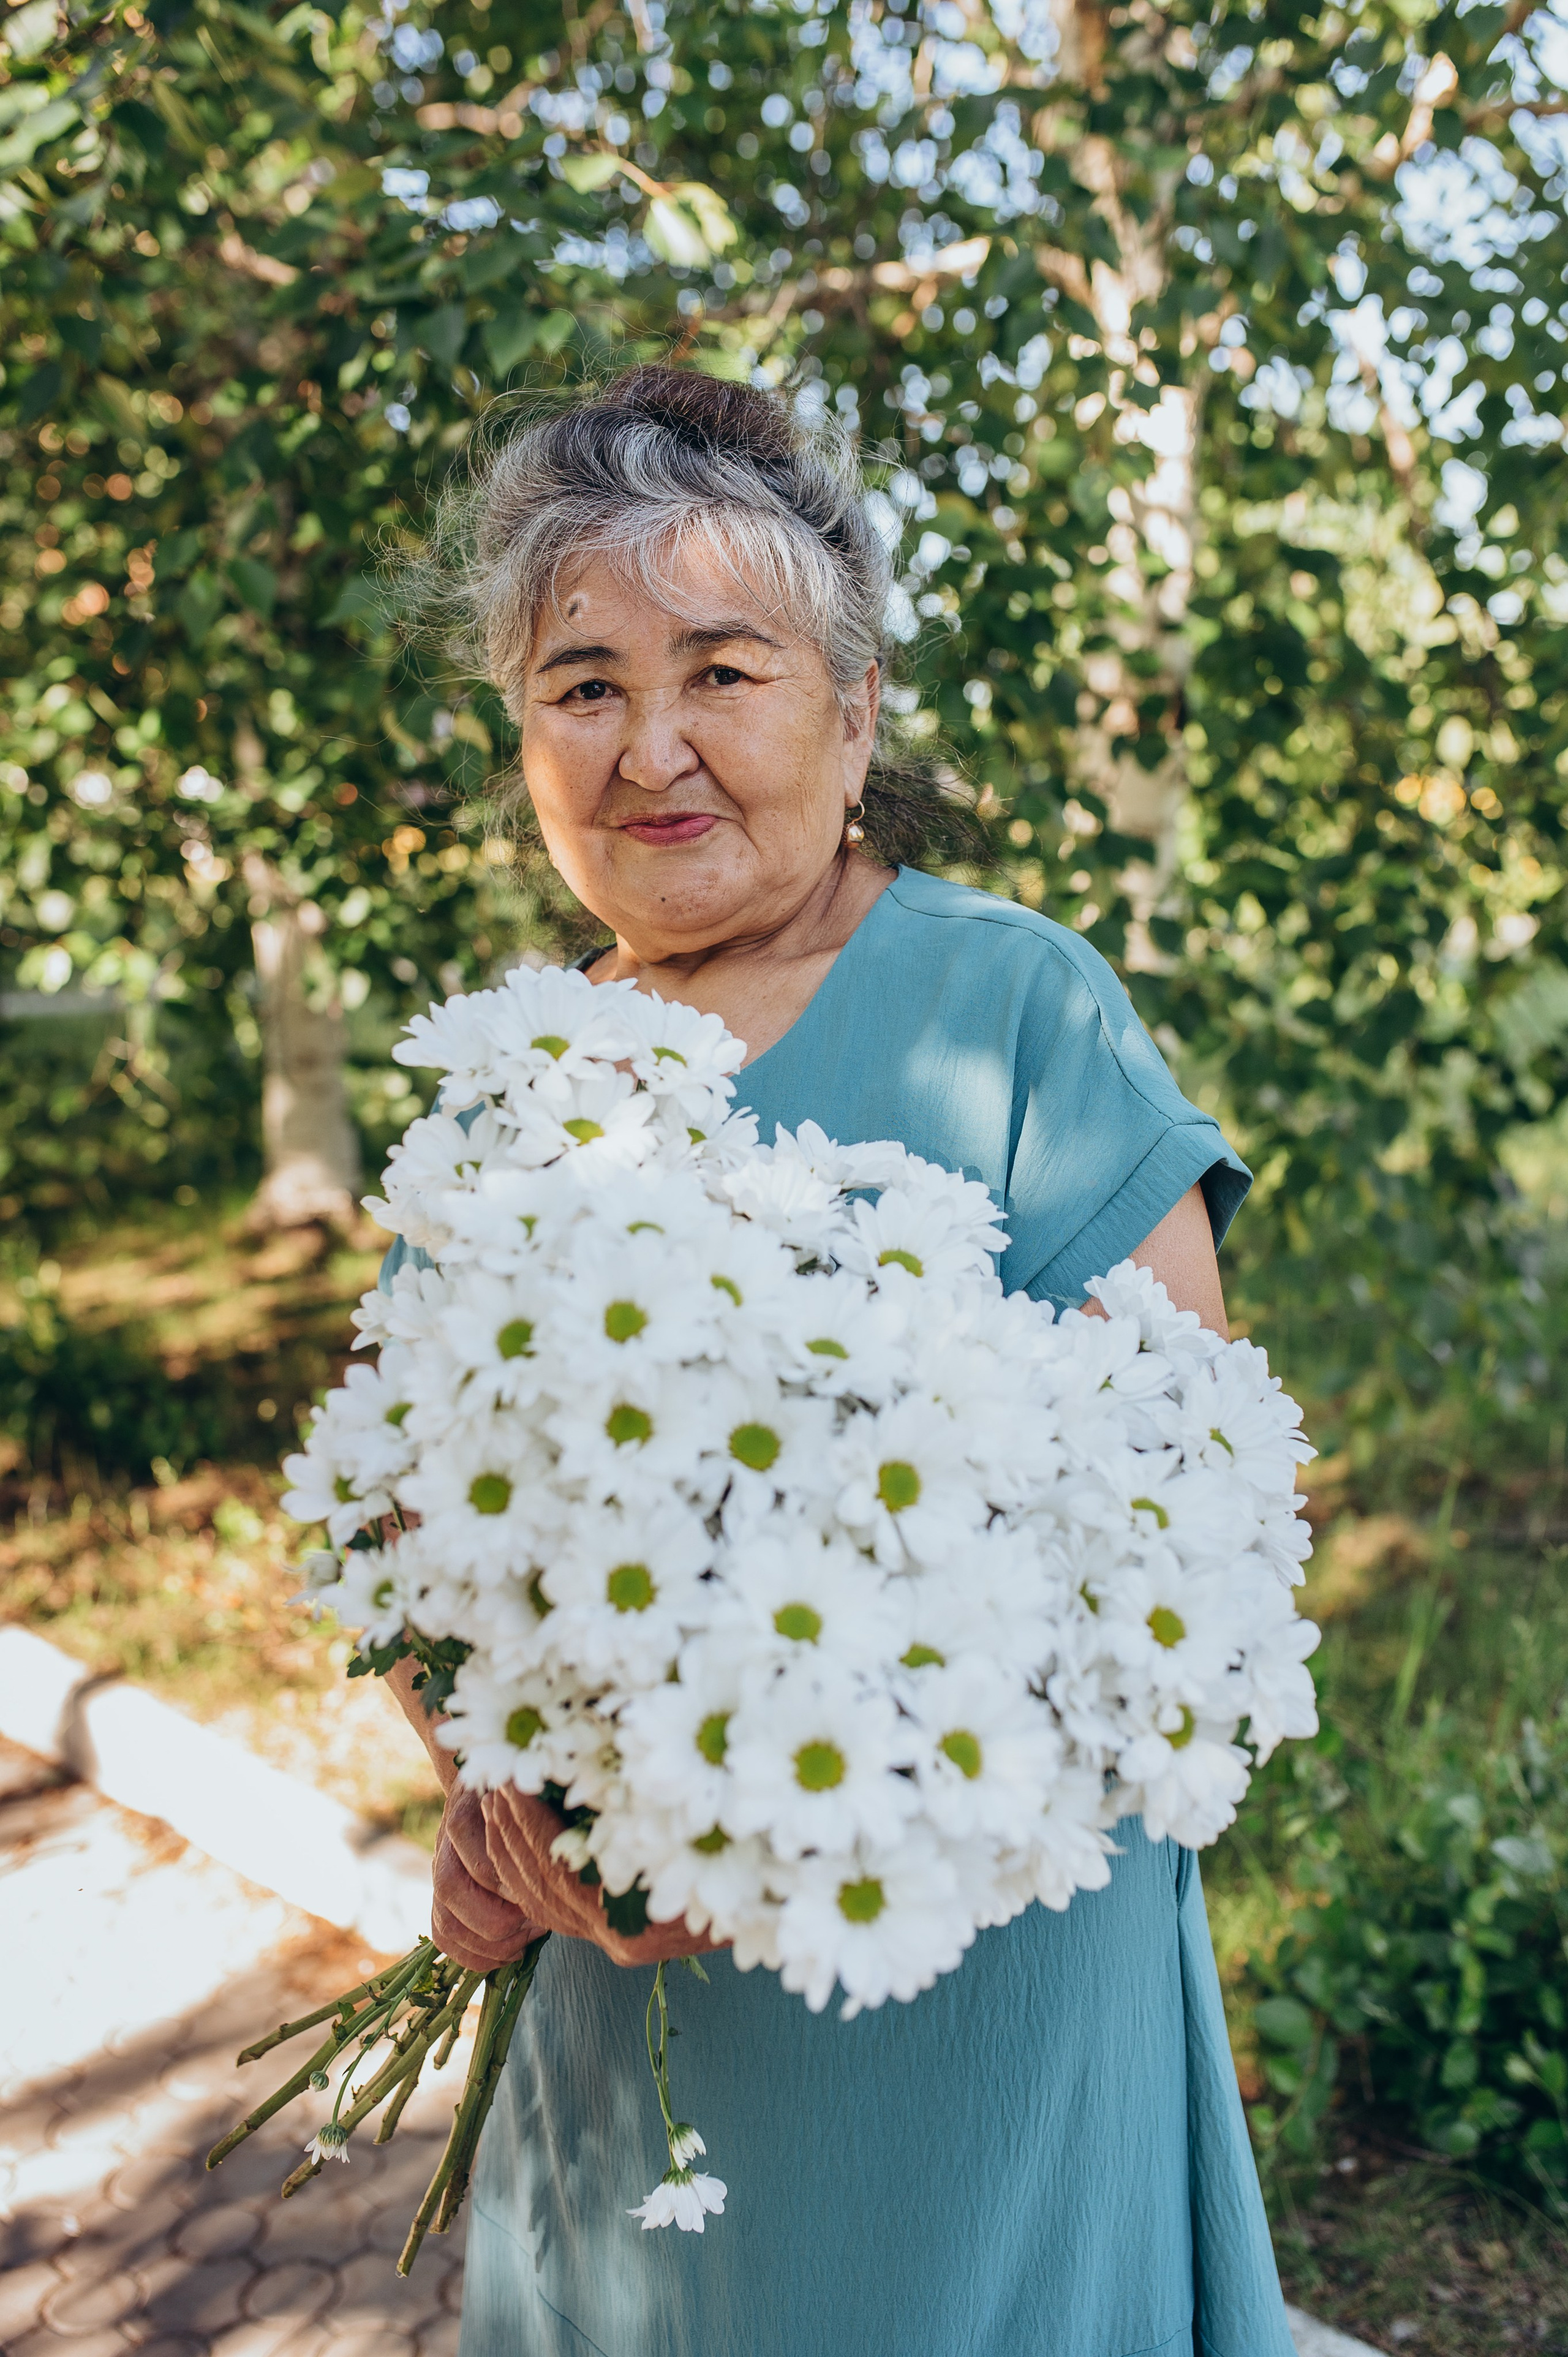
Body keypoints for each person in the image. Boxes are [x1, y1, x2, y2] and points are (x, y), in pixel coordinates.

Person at [380, 365, 1296, 2357]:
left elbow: (1198, 1548)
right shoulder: (502, 1088)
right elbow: (407, 1535)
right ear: (521, 734)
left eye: (726, 671)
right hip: (633, 2017)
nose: (653, 748)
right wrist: (497, 1809)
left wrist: (770, 1817)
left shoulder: (1017, 1005)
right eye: (585, 683)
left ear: (855, 713)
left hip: (977, 2010)